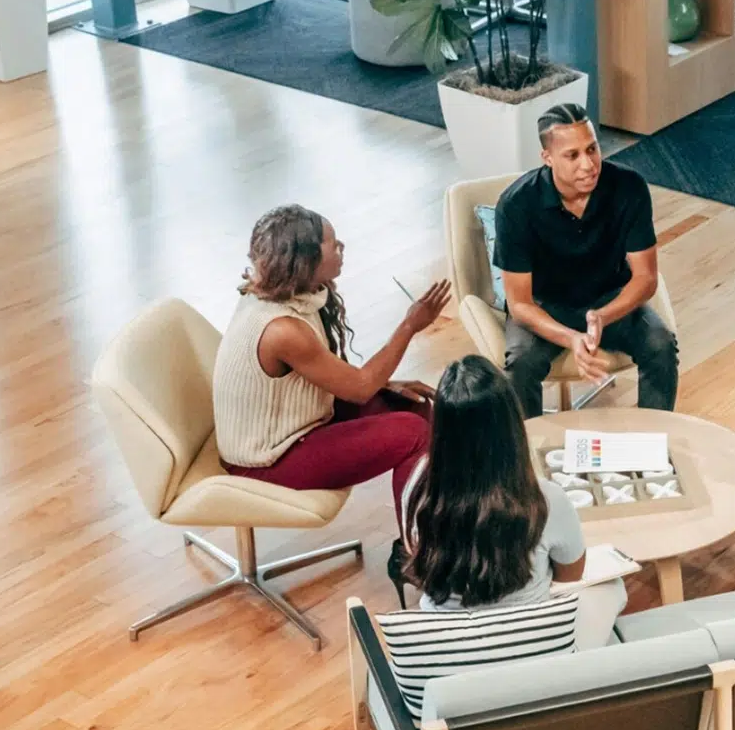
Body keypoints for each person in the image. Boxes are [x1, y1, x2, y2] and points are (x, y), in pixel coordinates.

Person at [212, 205, 451, 540]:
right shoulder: (282, 329)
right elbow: (361, 388)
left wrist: (387, 384)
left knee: (413, 405)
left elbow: (333, 376)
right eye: (332, 243)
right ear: (304, 258)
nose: (341, 248)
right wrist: (410, 325)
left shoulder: (290, 295)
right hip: (265, 461)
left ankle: (438, 537)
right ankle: (422, 561)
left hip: (296, 423)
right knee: (412, 433)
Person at [402, 355, 626, 649]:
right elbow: (571, 574)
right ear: (511, 427)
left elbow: (415, 549)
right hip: (530, 650)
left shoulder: (419, 487)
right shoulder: (545, 499)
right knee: (612, 587)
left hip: (448, 647)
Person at [494, 102, 679, 418]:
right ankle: (526, 454)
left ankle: (652, 442)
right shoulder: (516, 205)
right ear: (547, 158)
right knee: (522, 362)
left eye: (592, 149)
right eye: (572, 155)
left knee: (661, 346)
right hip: (544, 306)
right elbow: (520, 303)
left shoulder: (629, 187)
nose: (589, 164)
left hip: (610, 298)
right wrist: (572, 337)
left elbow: (646, 278)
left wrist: (603, 316)